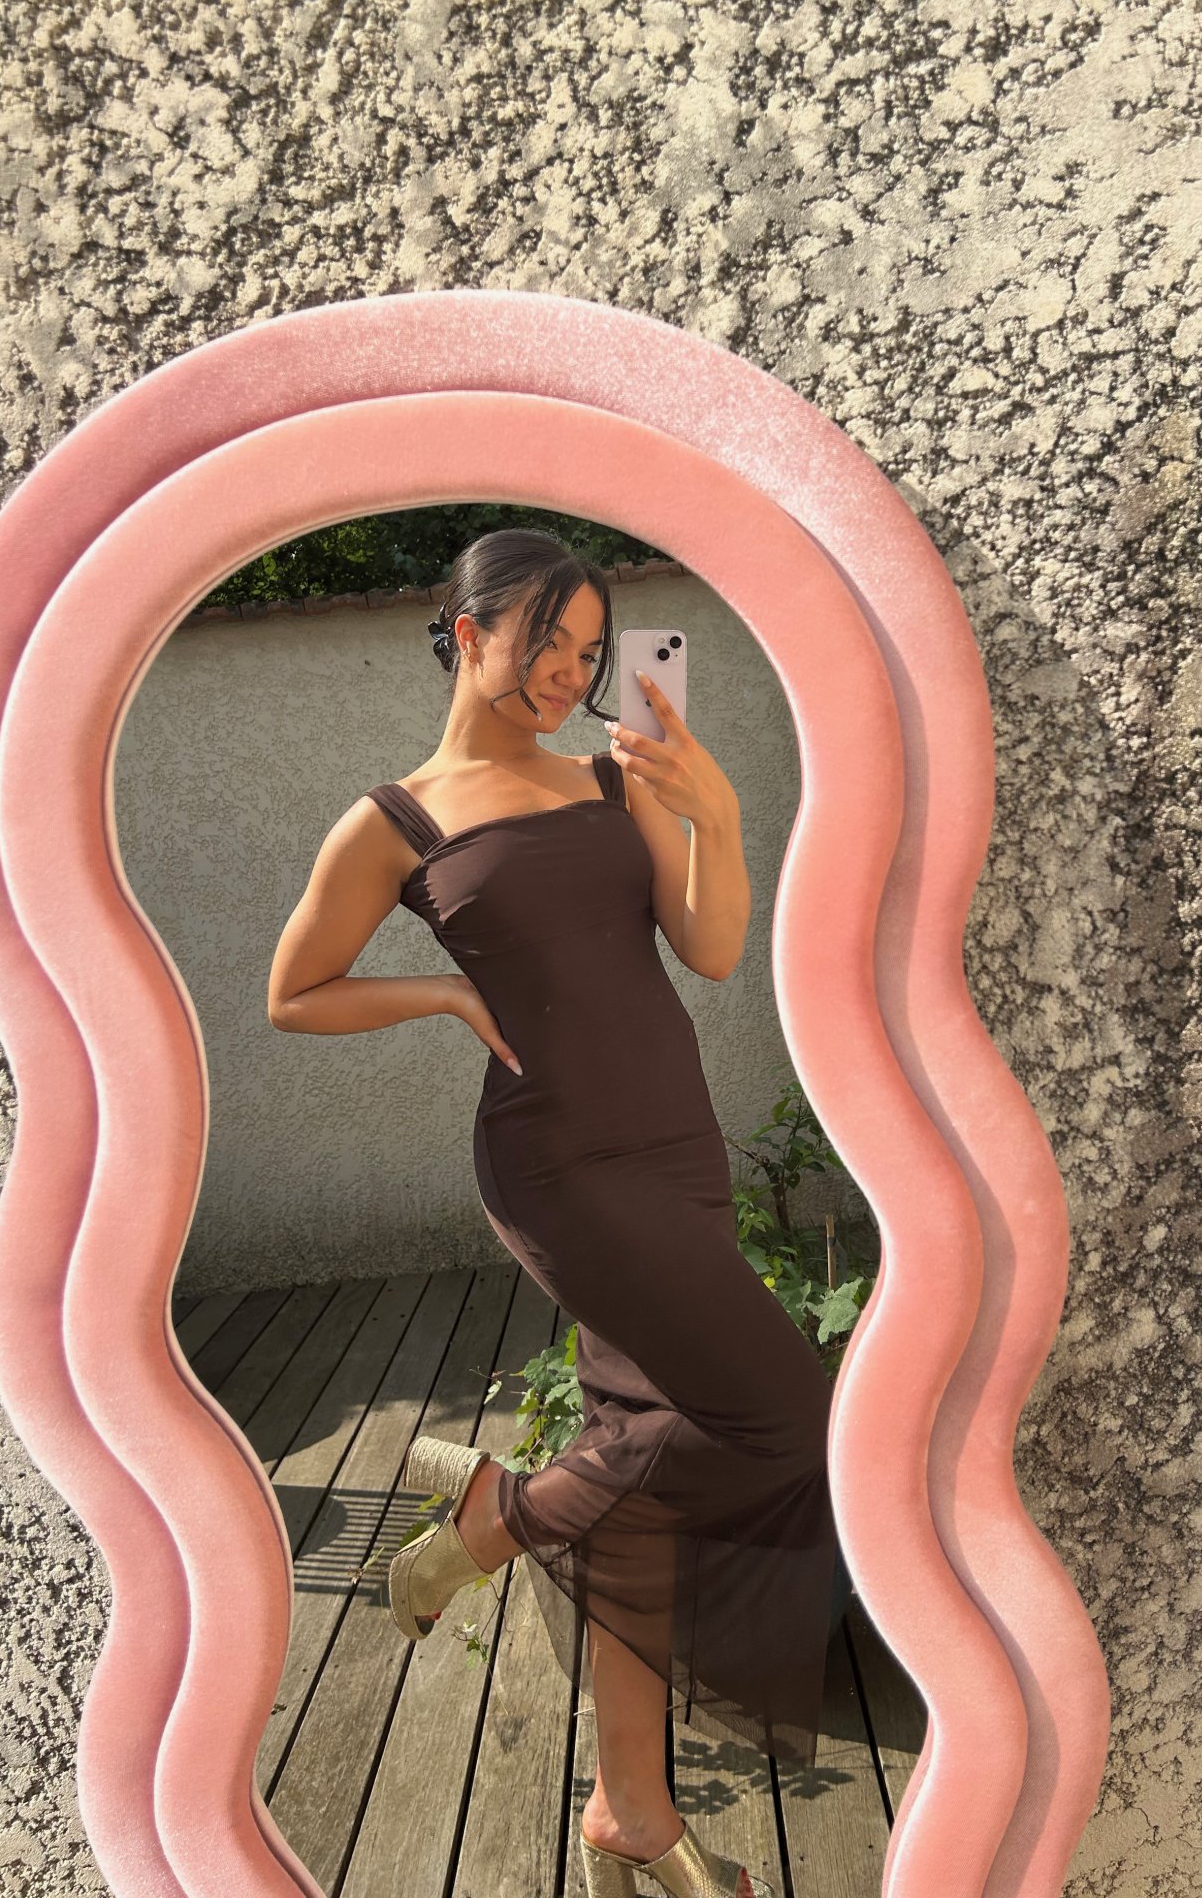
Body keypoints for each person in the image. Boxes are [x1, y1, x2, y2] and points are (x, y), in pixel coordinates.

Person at [268, 528, 839, 1898]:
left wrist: (718, 815)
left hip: (677, 1142)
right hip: (560, 1163)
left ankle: (631, 1812)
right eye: (546, 644)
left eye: (589, 652)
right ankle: (493, 1521)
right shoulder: (396, 820)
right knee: (785, 1412)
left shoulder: (609, 775)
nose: (570, 675)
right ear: (467, 633)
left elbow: (709, 947)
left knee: (643, 1435)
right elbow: (294, 991)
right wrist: (443, 993)